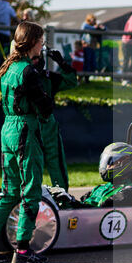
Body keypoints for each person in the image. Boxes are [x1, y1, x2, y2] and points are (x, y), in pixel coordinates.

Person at [0, 21, 54, 263]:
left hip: (7, 129)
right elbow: (45, 107)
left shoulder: (8, 67)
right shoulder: (28, 71)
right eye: (41, 41)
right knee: (30, 191)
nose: (43, 46)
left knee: (9, 192)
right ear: (32, 42)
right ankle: (22, 250)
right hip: (25, 130)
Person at [38, 47, 78, 191]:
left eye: (38, 56)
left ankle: (63, 200)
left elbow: (72, 81)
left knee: (56, 164)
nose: (36, 60)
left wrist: (62, 63)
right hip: (26, 126)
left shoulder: (48, 77)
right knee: (30, 168)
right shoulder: (17, 73)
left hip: (47, 125)